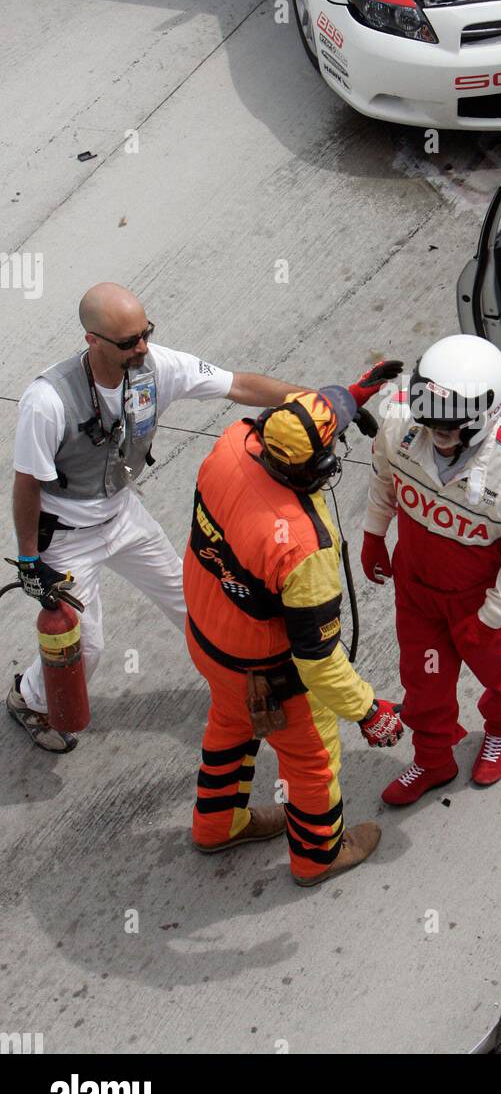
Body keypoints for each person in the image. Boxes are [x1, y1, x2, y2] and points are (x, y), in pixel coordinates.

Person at [8, 282, 319, 754]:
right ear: (92, 340)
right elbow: (27, 484)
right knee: (87, 649)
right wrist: (30, 560)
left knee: (195, 603)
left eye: (145, 333)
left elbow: (240, 385)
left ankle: (238, 690)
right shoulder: (47, 401)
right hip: (66, 538)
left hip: (122, 515)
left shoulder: (154, 367)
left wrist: (315, 402)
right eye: (129, 342)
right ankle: (26, 698)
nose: (142, 347)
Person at [184, 372, 404, 885]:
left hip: (208, 639)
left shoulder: (233, 444)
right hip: (271, 676)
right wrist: (368, 711)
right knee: (311, 762)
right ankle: (318, 855)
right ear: (319, 469)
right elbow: (319, 660)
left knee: (232, 725)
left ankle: (217, 825)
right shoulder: (304, 551)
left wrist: (348, 398)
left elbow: (299, 414)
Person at [361, 334, 501, 805]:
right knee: (422, 678)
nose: (437, 428)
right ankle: (433, 760)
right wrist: (374, 533)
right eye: (427, 408)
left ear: (489, 409)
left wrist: (492, 617)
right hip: (416, 591)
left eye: (451, 419)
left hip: (481, 601)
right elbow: (384, 477)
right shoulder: (398, 425)